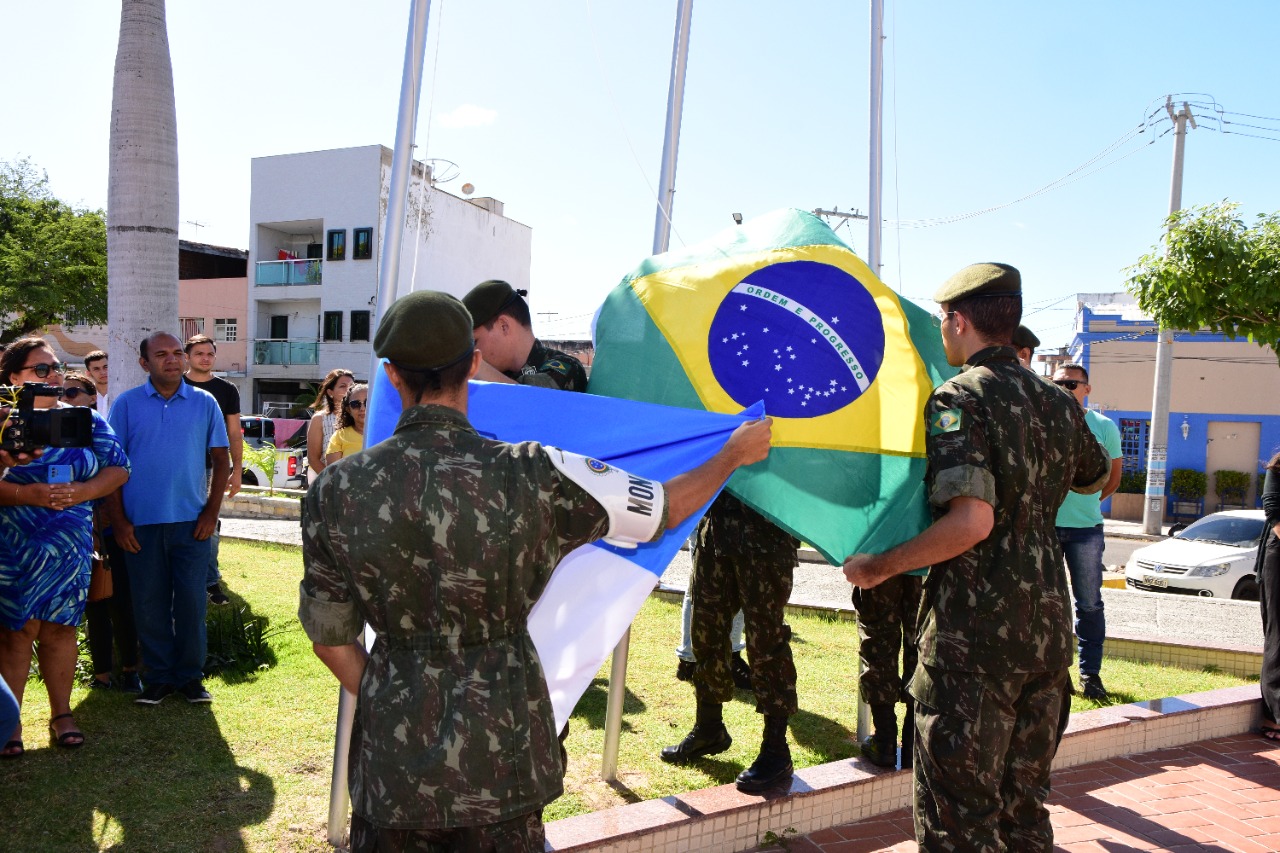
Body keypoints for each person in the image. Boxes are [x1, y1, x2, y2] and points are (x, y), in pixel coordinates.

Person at [300, 290, 772, 851]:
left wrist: (393, 694)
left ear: (389, 374)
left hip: (394, 770)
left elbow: (330, 639)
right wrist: (732, 454)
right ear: (474, 364)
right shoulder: (532, 472)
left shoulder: (335, 490)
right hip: (504, 756)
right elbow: (662, 508)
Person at [842, 262, 1110, 851]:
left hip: (973, 643)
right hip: (1045, 638)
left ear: (959, 321)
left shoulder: (958, 397)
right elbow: (1096, 476)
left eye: (943, 320)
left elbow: (972, 520)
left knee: (958, 822)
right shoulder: (1060, 403)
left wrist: (878, 566)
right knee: (1024, 815)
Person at [0, 338, 130, 755]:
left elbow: (120, 469)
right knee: (16, 633)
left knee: (61, 628)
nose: (53, 375)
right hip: (13, 548)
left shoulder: (84, 421)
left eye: (56, 367)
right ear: (14, 377)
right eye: (41, 369)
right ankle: (10, 721)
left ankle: (61, 714)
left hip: (70, 547)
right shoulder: (1, 423)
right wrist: (27, 495)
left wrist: (81, 492)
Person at [104, 332, 230, 706]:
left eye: (177, 353)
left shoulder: (205, 402)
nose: (172, 360)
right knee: (148, 603)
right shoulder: (126, 405)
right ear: (145, 363)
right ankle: (158, 677)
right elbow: (112, 465)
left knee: (191, 603)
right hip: (139, 525)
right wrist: (120, 522)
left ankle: (190, 678)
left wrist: (211, 512)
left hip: (192, 524)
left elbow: (222, 461)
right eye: (162, 354)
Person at [661, 493, 800, 793]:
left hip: (765, 531)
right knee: (706, 632)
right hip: (714, 530)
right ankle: (709, 729)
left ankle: (776, 750)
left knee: (765, 641)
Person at [60, 370, 143, 693]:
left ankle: (130, 670)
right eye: (61, 393)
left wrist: (116, 522)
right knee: (94, 604)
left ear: (91, 396)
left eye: (72, 393)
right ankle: (101, 674)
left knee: (122, 602)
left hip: (110, 530)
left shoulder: (99, 429)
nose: (65, 398)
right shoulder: (51, 432)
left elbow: (118, 476)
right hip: (78, 533)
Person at [1052, 363, 1123, 701]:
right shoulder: (1045, 421)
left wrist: (1089, 500)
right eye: (1058, 383)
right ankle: (1053, 674)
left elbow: (1113, 478)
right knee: (1048, 604)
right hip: (1046, 529)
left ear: (1087, 388)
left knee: (1090, 604)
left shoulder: (1104, 426)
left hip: (1086, 531)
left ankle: (1090, 675)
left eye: (1071, 383)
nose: (1065, 388)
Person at [183, 334, 244, 607]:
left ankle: (210, 580)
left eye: (209, 354)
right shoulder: (176, 385)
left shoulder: (227, 389)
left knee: (211, 525)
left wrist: (237, 469)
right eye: (199, 354)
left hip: (213, 469)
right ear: (188, 357)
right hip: (179, 467)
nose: (205, 358)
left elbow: (234, 432)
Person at [852, 567, 926, 769]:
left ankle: (885, 741)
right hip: (926, 549)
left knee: (878, 639)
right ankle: (914, 741)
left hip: (881, 550)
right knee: (921, 640)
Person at [462, 279, 588, 391]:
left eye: (475, 342)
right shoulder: (497, 376)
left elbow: (529, 401)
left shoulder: (567, 367)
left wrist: (472, 362)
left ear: (503, 326)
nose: (474, 351)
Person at [1257, 451, 1280, 740]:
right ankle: (1273, 716)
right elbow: (1275, 514)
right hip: (1279, 560)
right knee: (1278, 635)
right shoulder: (1277, 469)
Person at [307, 369, 354, 477]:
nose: (348, 389)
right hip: (330, 483)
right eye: (343, 386)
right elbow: (313, 459)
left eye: (351, 386)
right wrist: (332, 480)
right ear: (330, 392)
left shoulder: (362, 416)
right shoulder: (320, 419)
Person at [324, 383, 367, 464]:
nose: (362, 408)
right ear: (348, 410)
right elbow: (333, 473)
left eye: (367, 402)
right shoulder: (339, 437)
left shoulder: (389, 434)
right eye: (355, 404)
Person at [84, 350, 110, 415]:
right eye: (96, 369)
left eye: (105, 367)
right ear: (88, 373)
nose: (103, 372)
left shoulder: (122, 394)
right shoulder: (85, 397)